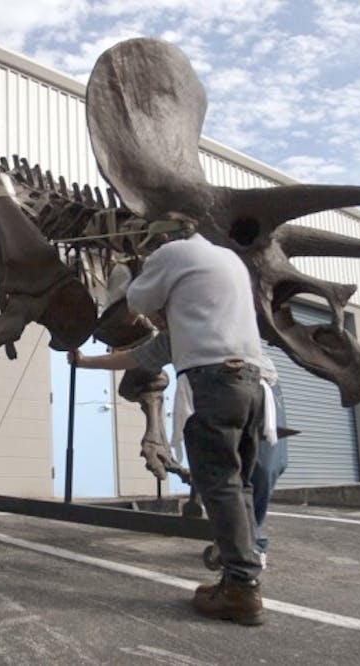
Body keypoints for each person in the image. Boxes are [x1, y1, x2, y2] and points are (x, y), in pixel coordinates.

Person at [125, 218, 266, 625]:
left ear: (162, 236)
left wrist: (139, 271)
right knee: (238, 484)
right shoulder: (230, 260)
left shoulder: (172, 254)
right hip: (251, 381)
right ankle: (241, 577)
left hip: (212, 381)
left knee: (219, 483)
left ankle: (241, 590)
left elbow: (135, 300)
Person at [69, 335, 288, 564]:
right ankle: (241, 551)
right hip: (216, 389)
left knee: (267, 466)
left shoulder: (226, 309)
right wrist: (84, 361)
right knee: (224, 473)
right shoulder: (178, 330)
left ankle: (243, 545)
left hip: (262, 383)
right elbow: (135, 357)